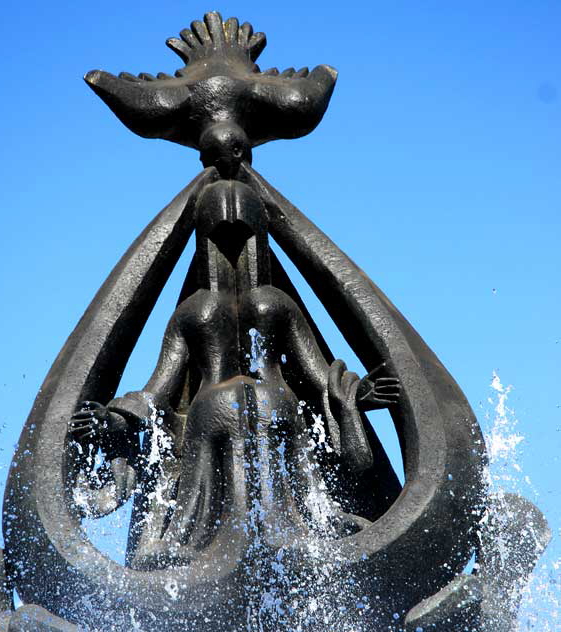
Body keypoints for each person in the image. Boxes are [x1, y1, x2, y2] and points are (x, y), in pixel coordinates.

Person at [68, 180, 400, 570]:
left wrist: (357, 394)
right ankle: (189, 540)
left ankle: (303, 525)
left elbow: (318, 374)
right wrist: (115, 419)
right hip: (215, 416)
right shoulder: (194, 313)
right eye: (220, 235)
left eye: (242, 234)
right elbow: (158, 390)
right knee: (197, 512)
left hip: (272, 412)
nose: (231, 245)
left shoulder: (272, 305)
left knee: (295, 509)